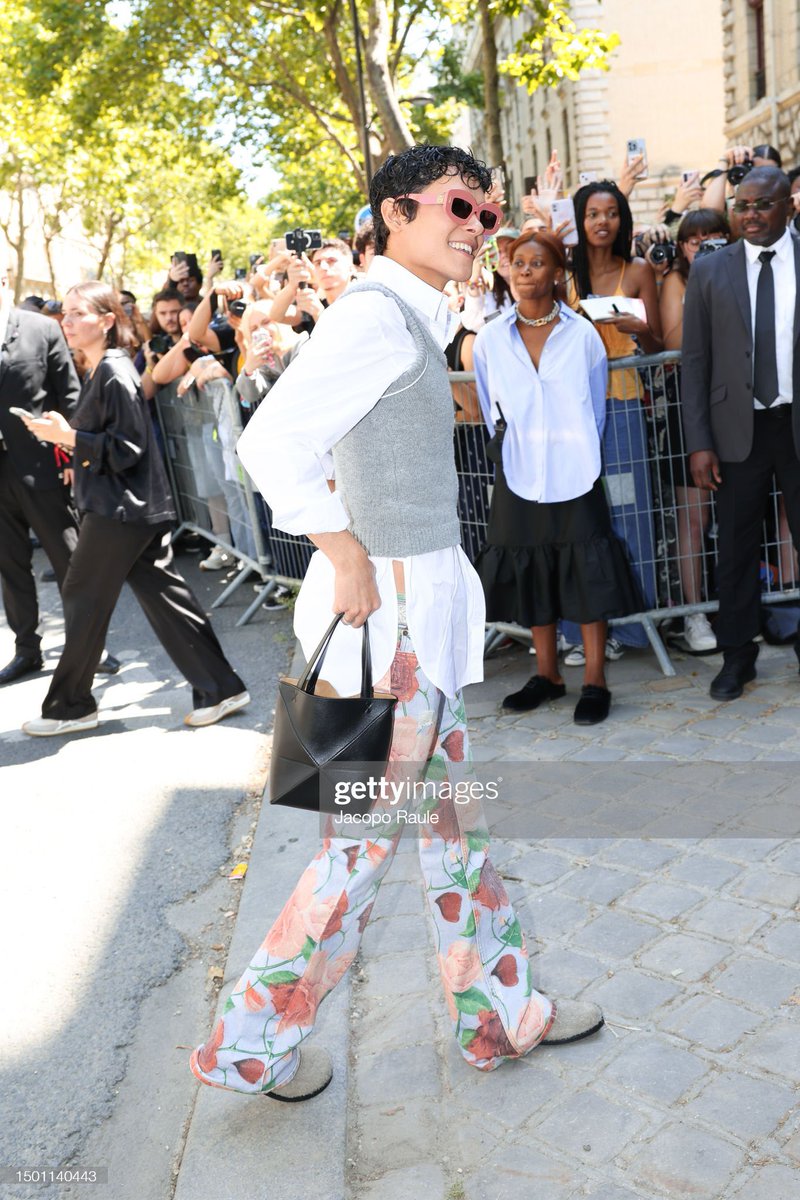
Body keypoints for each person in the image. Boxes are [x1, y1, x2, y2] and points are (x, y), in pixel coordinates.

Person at [191, 144, 604, 1104]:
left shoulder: (406, 316)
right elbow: (268, 441)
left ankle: (501, 1015)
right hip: (393, 625)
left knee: (452, 829)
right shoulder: (377, 322)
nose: (476, 229)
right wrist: (341, 551)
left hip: (411, 617)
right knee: (361, 849)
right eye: (459, 207)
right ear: (396, 211)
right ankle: (252, 1044)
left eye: (488, 216)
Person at [16, 281, 249, 736]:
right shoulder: (105, 368)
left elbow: (129, 449)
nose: (66, 321)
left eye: (77, 313)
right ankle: (221, 688)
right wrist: (69, 430)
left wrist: (66, 439)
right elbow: (112, 438)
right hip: (126, 508)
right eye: (64, 314)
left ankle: (70, 706)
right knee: (162, 595)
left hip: (121, 510)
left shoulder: (114, 370)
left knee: (83, 596)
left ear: (106, 321)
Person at [474, 230, 639, 724]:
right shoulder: (491, 338)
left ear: (557, 272)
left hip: (575, 469)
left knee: (587, 568)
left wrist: (577, 451)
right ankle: (547, 675)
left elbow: (595, 405)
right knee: (532, 568)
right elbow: (488, 406)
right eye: (518, 262)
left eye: (537, 262)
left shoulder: (583, 334)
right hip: (519, 470)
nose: (525, 270)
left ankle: (594, 679)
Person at [682, 166, 800, 700]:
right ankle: (737, 656)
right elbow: (695, 362)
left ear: (789, 206)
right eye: (742, 205)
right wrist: (699, 442)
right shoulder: (710, 271)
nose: (750, 214)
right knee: (734, 547)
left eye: (763, 205)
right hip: (737, 430)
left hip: (794, 421)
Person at [561, 180, 663, 665]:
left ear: (622, 219)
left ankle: (630, 627)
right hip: (574, 415)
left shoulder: (638, 271)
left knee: (629, 516)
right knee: (578, 519)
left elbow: (660, 348)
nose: (602, 222)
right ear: (581, 221)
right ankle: (581, 628)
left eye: (611, 213)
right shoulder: (565, 276)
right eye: (593, 213)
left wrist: (639, 329)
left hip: (622, 410)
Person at [658, 210, 732, 652]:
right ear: (682, 246)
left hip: (738, 410)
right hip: (689, 410)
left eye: (714, 237)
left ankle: (743, 608)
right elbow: (676, 344)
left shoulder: (745, 270)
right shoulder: (677, 281)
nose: (703, 246)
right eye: (693, 240)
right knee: (695, 518)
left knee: (739, 514)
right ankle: (695, 615)